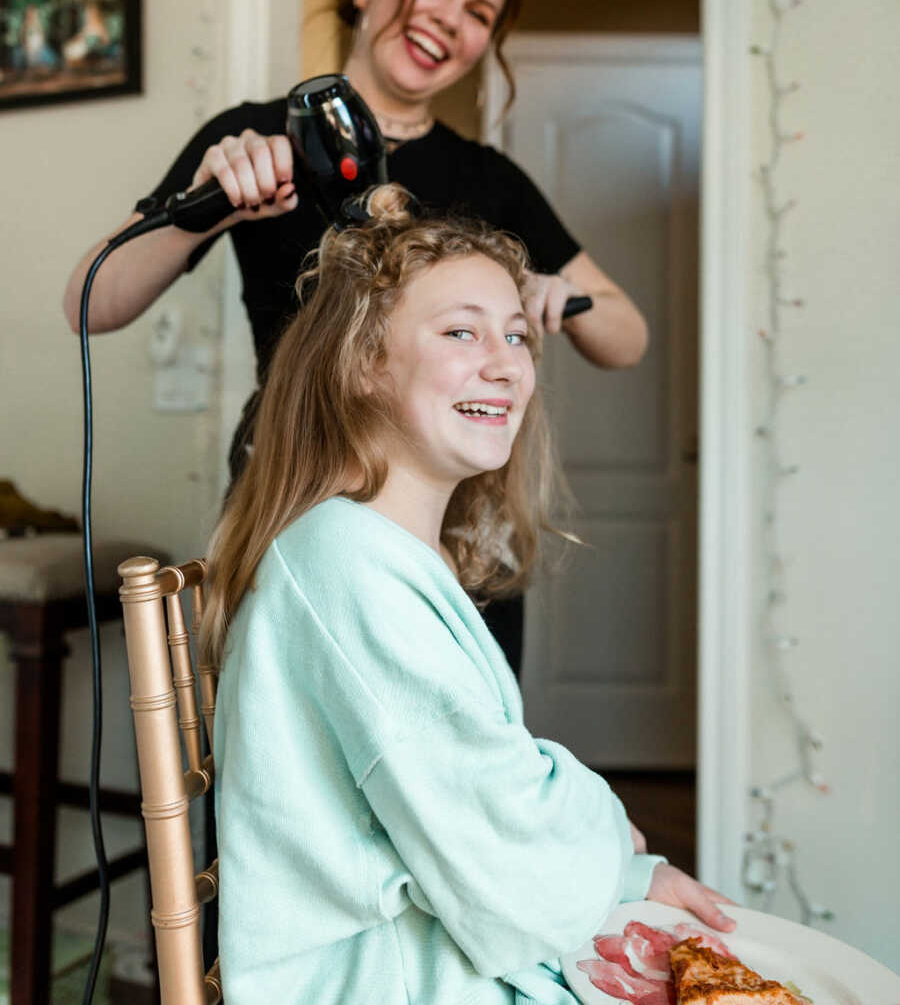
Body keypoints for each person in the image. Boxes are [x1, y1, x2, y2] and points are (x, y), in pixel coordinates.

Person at [63, 0, 648, 674]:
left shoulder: (490, 180)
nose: (450, 18)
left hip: (458, 522)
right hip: (296, 490)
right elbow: (87, 303)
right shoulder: (252, 140)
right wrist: (207, 206)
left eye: (480, 11)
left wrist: (559, 297)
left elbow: (626, 334)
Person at [199, 185, 733, 1005]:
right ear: (365, 362)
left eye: (517, 335)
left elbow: (484, 800)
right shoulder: (347, 567)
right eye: (461, 332)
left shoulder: (378, 554)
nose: (507, 361)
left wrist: (612, 856)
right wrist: (604, 827)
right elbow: (510, 875)